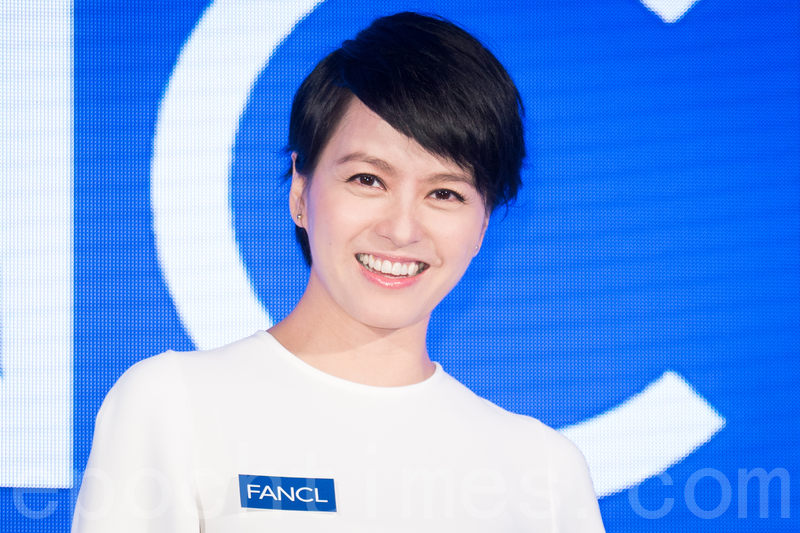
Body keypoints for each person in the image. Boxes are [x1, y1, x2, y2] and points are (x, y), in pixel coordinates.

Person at [73, 12, 606, 532]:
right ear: (300, 192)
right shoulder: (174, 405)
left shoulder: (543, 472)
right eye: (368, 180)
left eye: (444, 193)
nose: (402, 229)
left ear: (482, 225)